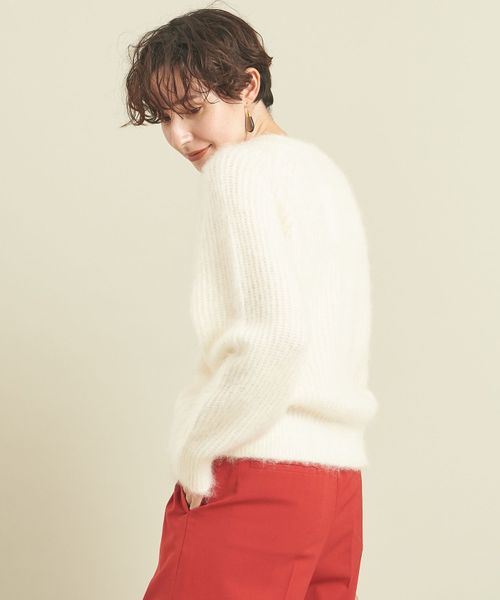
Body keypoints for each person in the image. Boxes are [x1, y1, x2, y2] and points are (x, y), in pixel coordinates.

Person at [122, 6, 377, 600]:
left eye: (192, 108)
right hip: (338, 488)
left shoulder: (239, 173)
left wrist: (197, 451)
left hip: (256, 470)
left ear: (246, 86)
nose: (178, 136)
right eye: (164, 117)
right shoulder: (323, 174)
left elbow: (275, 336)